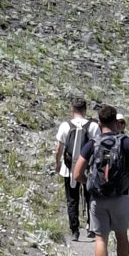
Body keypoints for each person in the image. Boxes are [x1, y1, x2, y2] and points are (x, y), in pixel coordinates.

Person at [71, 104, 129, 256]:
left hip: (98, 198)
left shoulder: (92, 144)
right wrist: (128, 182)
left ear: (99, 122)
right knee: (121, 235)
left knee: (100, 238)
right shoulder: (127, 143)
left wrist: (89, 183)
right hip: (120, 197)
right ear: (115, 121)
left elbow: (77, 172)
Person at [54, 97, 97, 243]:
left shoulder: (65, 126)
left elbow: (58, 148)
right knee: (90, 196)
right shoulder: (93, 126)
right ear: (85, 110)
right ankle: (91, 227)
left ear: (72, 110)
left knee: (72, 199)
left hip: (69, 168)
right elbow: (97, 147)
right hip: (88, 169)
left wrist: (57, 164)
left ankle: (75, 231)